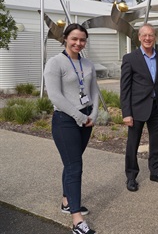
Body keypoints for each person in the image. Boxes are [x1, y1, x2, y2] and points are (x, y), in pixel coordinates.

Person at [44, 23, 99, 234]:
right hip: (65, 121)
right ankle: (77, 220)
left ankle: (67, 201)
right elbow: (55, 95)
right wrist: (79, 116)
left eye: (82, 40)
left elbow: (94, 91)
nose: (78, 43)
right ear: (65, 38)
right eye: (74, 38)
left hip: (86, 122)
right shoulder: (55, 63)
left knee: (71, 163)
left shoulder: (88, 64)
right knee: (75, 166)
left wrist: (92, 115)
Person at [120, 23, 158, 192]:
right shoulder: (130, 58)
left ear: (155, 37)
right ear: (139, 38)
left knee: (156, 142)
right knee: (132, 144)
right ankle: (131, 176)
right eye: (144, 35)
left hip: (157, 107)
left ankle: (155, 172)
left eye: (151, 35)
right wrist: (126, 113)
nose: (148, 38)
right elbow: (125, 88)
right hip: (136, 109)